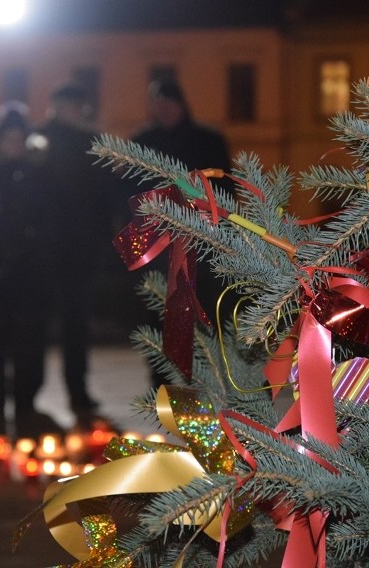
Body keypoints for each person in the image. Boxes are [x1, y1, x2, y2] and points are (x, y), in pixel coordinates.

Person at [131, 78, 234, 385]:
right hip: (158, 244)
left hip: (201, 243)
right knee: (159, 312)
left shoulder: (208, 140)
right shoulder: (142, 141)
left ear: (180, 104)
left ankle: (205, 380)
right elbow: (130, 192)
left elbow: (224, 190)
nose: (162, 111)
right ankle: (159, 383)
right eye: (156, 104)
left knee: (202, 314)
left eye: (168, 103)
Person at [24, 82, 112, 418]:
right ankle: (50, 391)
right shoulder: (54, 141)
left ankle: (61, 391)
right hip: (56, 247)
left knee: (66, 324)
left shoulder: (84, 141)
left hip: (69, 248)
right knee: (55, 324)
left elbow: (101, 200)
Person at [0, 101, 47, 438]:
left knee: (27, 342)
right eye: (8, 139)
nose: (14, 146)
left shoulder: (37, 174)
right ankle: (2, 403)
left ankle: (23, 402)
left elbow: (47, 220)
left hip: (28, 273)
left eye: (19, 139)